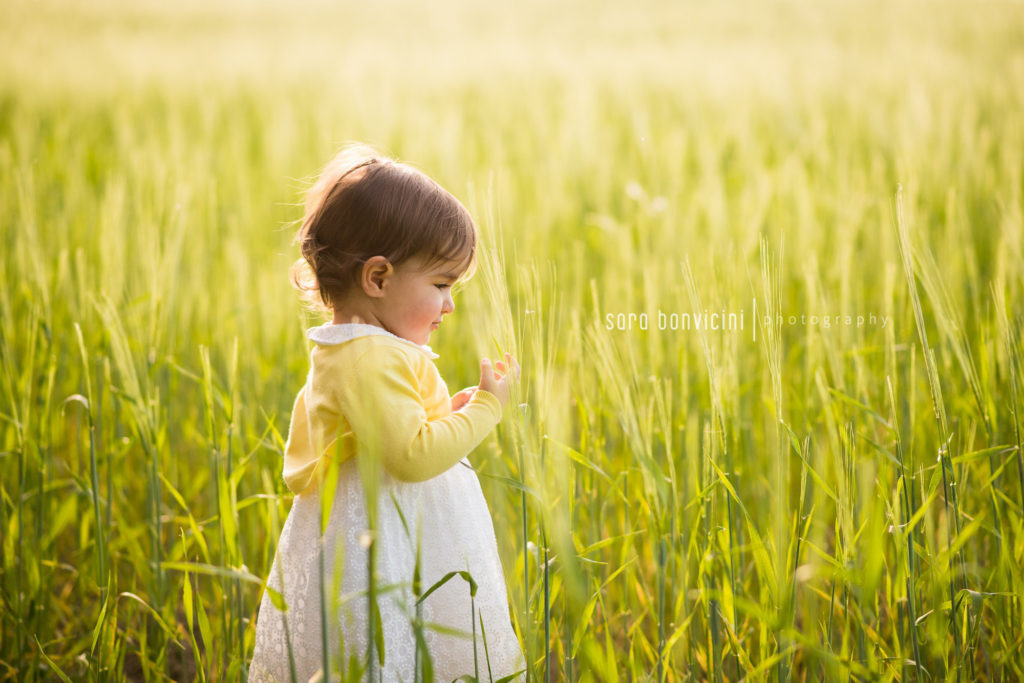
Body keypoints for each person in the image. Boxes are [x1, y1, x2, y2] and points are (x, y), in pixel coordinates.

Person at [249, 144, 524, 682]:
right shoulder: (370, 358)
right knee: (388, 644)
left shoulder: (365, 348)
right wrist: (488, 409)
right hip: (380, 533)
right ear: (377, 278)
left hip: (388, 522)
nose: (449, 305)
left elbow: (398, 427)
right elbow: (412, 458)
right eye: (441, 285)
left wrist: (448, 411)